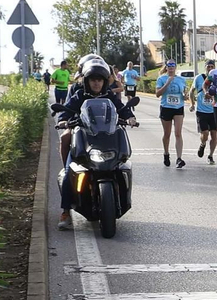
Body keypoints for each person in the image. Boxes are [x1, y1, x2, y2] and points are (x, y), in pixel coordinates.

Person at [55, 58, 137, 230]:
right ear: (87, 81)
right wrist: (63, 120)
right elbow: (67, 110)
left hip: (106, 135)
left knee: (122, 163)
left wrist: (130, 117)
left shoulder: (109, 95)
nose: (97, 83)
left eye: (100, 80)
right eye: (93, 79)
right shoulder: (79, 94)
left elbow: (122, 108)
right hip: (84, 135)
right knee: (70, 167)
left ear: (104, 81)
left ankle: (121, 196)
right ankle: (65, 211)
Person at [155, 60, 188, 168]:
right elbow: (157, 94)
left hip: (178, 107)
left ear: (175, 67)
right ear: (166, 68)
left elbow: (185, 93)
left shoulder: (181, 79)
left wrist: (185, 96)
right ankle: (166, 153)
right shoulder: (161, 79)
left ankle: (179, 158)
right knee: (167, 134)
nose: (171, 68)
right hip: (166, 107)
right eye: (169, 66)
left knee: (178, 133)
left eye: (173, 66)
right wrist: (167, 83)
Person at [192, 58, 217, 164]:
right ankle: (202, 144)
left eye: (212, 67)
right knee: (205, 134)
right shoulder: (199, 78)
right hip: (201, 111)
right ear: (205, 67)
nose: (210, 68)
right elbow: (191, 91)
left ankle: (211, 155)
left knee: (214, 135)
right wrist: (193, 103)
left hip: (214, 111)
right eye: (208, 67)